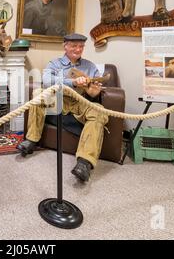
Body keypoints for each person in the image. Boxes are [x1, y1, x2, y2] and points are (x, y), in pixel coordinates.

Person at [16, 33, 109, 183]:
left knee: (99, 112)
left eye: (81, 46)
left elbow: (94, 91)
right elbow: (46, 81)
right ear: (65, 46)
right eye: (74, 46)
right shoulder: (55, 63)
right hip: (58, 100)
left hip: (80, 103)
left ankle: (84, 163)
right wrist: (72, 82)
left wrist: (93, 90)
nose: (78, 49)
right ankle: (31, 140)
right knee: (38, 93)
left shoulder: (90, 66)